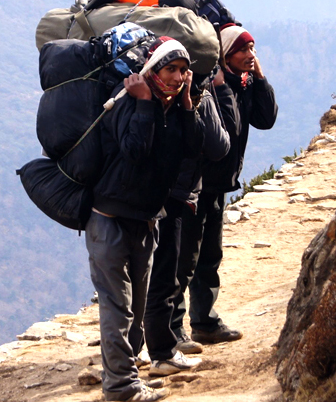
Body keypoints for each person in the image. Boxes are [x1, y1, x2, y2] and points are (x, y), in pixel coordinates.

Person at [86, 37, 204, 402]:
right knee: (117, 308)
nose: (179, 77)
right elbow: (135, 151)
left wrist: (186, 106)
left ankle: (128, 376)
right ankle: (120, 388)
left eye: (184, 71)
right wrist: (144, 102)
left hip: (145, 221)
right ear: (153, 71)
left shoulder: (173, 111)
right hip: (110, 219)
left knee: (137, 309)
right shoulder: (128, 103)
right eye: (171, 69)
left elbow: (199, 150)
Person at [170, 24, 278, 348]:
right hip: (195, 186)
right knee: (184, 259)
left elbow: (266, 118)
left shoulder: (242, 84)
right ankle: (172, 332)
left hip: (216, 187)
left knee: (209, 256)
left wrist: (258, 76)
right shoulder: (215, 88)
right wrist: (225, 88)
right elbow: (225, 137)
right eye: (243, 50)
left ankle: (205, 322)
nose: (250, 55)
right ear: (226, 55)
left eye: (253, 49)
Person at [143, 76, 231, 372]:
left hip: (169, 196)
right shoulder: (192, 95)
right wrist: (206, 97)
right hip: (171, 198)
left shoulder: (192, 96)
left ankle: (149, 351)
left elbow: (207, 144)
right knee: (165, 273)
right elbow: (218, 145)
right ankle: (160, 348)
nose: (180, 77)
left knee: (161, 272)